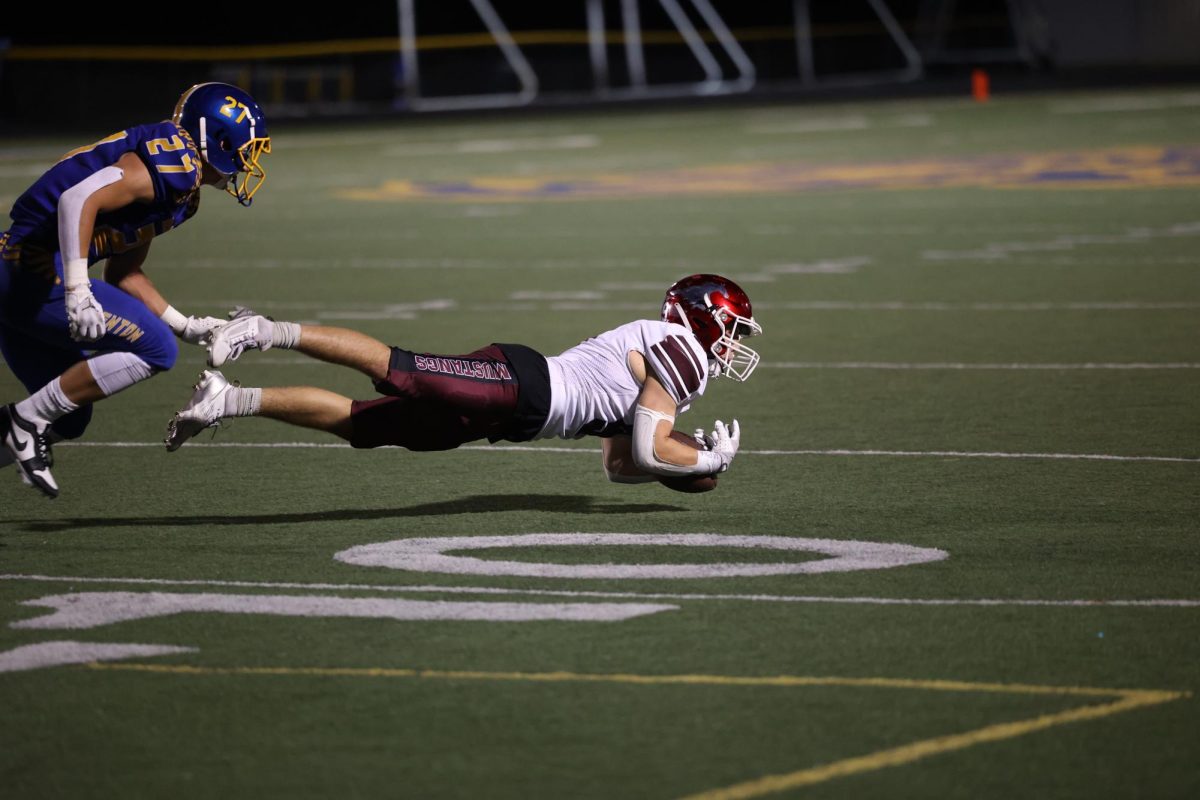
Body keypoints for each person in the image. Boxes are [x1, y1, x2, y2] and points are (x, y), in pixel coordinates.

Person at [165, 274, 762, 485]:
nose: (732, 344)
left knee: (362, 426)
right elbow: (649, 449)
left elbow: (620, 463)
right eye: (732, 328)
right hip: (516, 384)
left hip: (510, 415)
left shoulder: (670, 362)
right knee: (395, 368)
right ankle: (261, 330)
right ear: (704, 319)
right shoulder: (681, 350)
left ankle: (228, 399)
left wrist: (693, 461)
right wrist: (704, 462)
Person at [0, 82, 272, 498]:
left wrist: (188, 326)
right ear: (218, 139)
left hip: (24, 274)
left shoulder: (185, 194)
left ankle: (23, 422)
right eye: (245, 148)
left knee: (70, 417)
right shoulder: (176, 161)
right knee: (157, 350)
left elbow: (125, 273)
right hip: (27, 266)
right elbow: (77, 199)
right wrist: (77, 289)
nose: (247, 161)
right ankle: (24, 422)